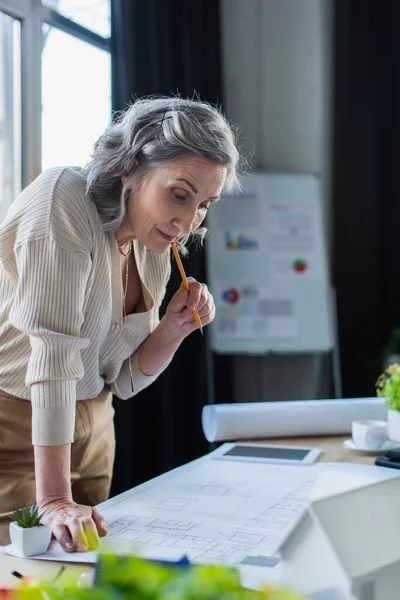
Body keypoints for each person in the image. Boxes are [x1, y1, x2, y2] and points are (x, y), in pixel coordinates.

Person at [0, 96, 240, 552]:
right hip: (15, 427)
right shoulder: (63, 199)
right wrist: (54, 498)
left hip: (93, 430)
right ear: (131, 167)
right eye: (179, 194)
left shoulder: (155, 247)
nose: (188, 222)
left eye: (205, 204)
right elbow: (53, 354)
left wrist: (172, 329)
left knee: (82, 578)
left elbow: (123, 382)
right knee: (22, 576)